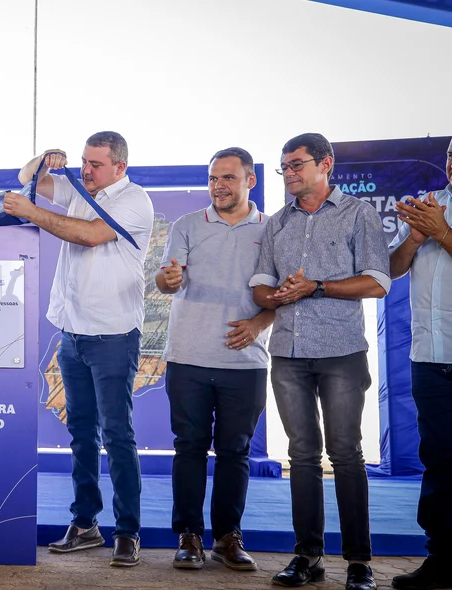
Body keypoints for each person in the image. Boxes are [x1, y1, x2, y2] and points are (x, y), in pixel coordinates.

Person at [6, 132, 153, 566]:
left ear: (120, 168)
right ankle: (85, 523)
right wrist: (46, 157)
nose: (87, 170)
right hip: (72, 336)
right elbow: (26, 174)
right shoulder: (77, 186)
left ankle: (128, 531)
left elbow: (89, 235)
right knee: (81, 435)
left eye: (97, 164)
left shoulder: (134, 200)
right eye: (84, 162)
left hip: (112, 336)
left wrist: (32, 212)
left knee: (118, 436)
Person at [250, 133, 390, 590]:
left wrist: (317, 287)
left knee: (346, 455)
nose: (289, 173)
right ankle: (307, 557)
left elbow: (377, 282)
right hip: (288, 352)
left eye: (297, 164)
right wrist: (276, 295)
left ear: (325, 164)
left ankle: (358, 563)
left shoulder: (358, 214)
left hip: (342, 353)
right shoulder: (276, 223)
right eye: (284, 167)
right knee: (302, 456)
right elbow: (260, 286)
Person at [155, 147, 272, 572]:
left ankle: (227, 537)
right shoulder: (188, 225)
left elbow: (283, 293)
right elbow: (167, 280)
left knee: (235, 452)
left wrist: (259, 323)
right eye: (212, 179)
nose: (218, 186)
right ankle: (189, 536)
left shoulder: (273, 229)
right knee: (189, 448)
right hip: (189, 357)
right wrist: (166, 280)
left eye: (228, 178)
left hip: (246, 363)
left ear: (250, 180)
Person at [387, 139, 452, 590]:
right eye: (451, 154)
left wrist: (443, 232)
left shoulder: (438, 216)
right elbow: (392, 269)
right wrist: (414, 237)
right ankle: (442, 559)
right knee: (440, 461)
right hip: (429, 357)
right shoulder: (430, 206)